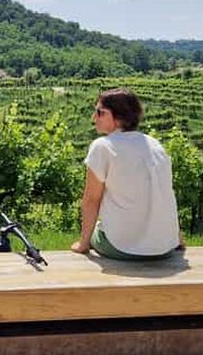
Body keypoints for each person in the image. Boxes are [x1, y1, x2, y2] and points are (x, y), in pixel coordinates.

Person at [70, 87, 184, 260]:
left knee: (97, 229)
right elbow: (166, 195)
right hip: (166, 247)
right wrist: (177, 239)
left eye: (100, 112)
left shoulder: (103, 146)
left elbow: (91, 200)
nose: (94, 117)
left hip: (123, 248)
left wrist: (83, 244)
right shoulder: (155, 145)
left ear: (119, 117)